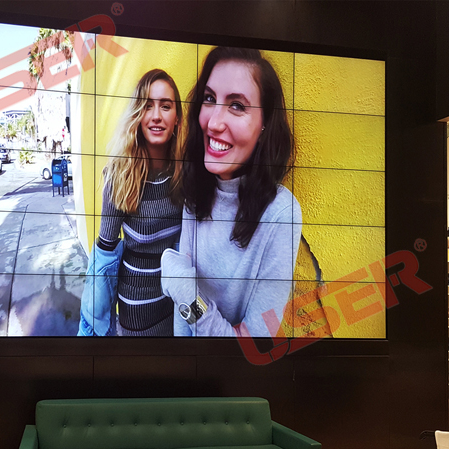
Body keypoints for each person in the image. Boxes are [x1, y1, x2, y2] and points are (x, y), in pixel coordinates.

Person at [161, 47, 303, 337]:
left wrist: (186, 294)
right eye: (209, 98)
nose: (213, 123)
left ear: (264, 125)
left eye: (237, 105)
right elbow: (183, 322)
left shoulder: (281, 214)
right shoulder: (197, 188)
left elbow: (251, 346)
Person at [78, 69, 184, 336]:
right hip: (137, 309)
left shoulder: (186, 175)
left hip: (178, 303)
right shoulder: (120, 176)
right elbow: (103, 256)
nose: (156, 115)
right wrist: (91, 327)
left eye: (166, 106)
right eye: (147, 106)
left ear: (177, 119)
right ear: (138, 115)